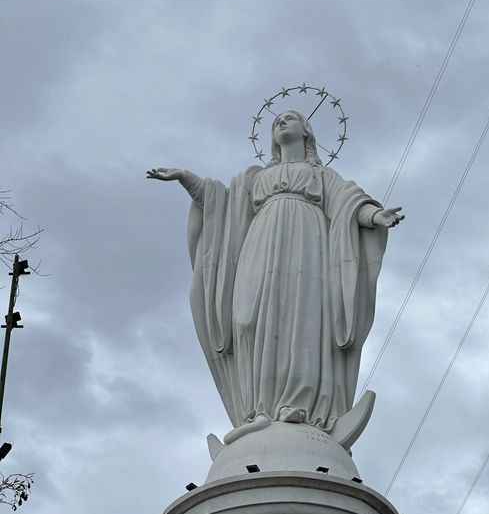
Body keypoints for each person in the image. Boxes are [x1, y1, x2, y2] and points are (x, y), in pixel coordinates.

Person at [147, 111, 403, 436]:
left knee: (299, 317)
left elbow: (348, 204)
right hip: (261, 240)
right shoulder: (254, 179)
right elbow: (219, 205)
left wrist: (377, 216)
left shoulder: (321, 175)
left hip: (307, 242)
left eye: (289, 118)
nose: (281, 123)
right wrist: (187, 178)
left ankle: (297, 405)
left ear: (306, 131)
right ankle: (257, 408)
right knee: (246, 319)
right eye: (276, 121)